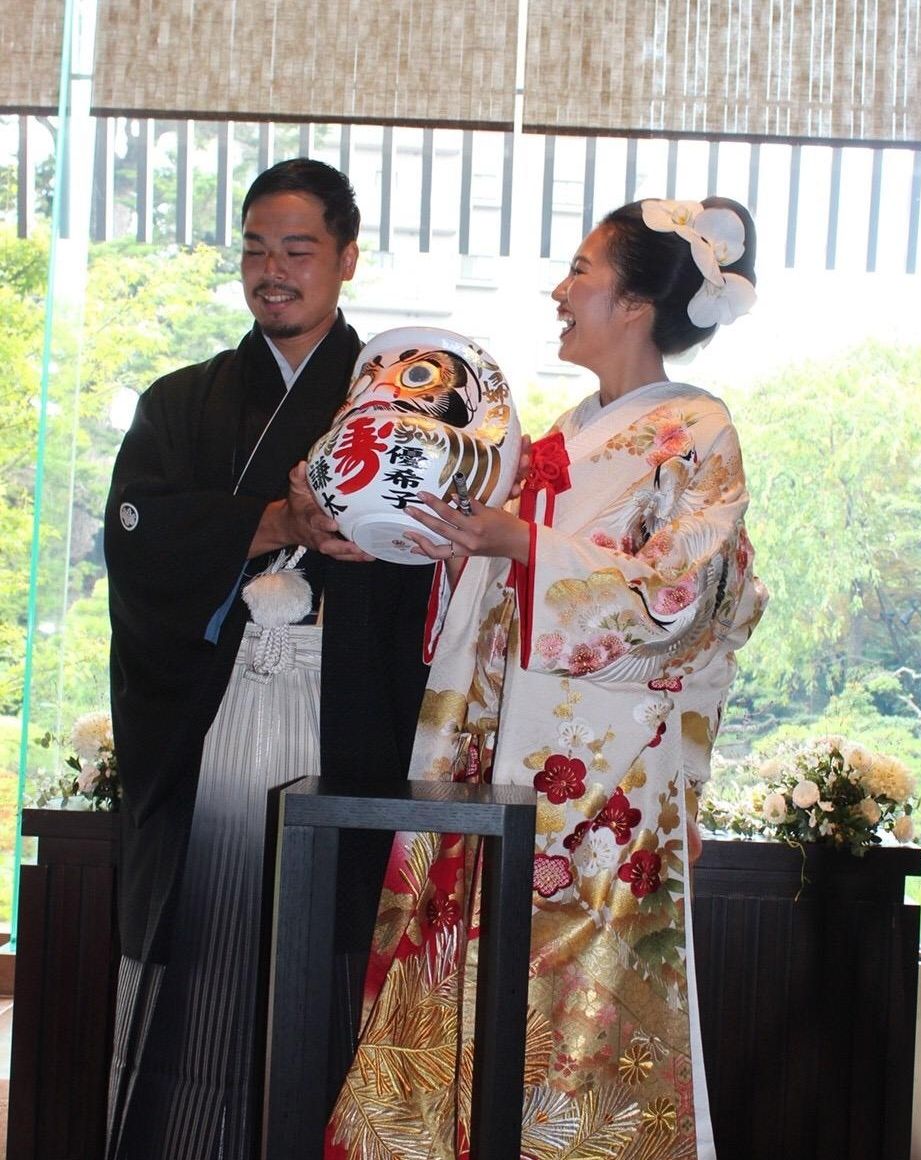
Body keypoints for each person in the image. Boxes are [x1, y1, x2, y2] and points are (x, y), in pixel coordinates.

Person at [324, 196, 767, 1158]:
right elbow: (498, 587)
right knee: (474, 971)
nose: (559, 290)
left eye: (580, 271)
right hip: (505, 747)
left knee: (585, 1001)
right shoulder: (567, 431)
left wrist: (523, 542)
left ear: (636, 303)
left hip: (609, 771)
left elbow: (681, 598)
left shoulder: (696, 429)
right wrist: (446, 538)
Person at [103, 158, 433, 1160]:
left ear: (347, 259)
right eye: (255, 249)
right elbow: (138, 537)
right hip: (211, 729)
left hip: (345, 728)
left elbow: (443, 569)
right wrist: (279, 521)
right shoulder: (180, 402)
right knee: (200, 967)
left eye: (298, 249)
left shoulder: (405, 412)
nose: (272, 271)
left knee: (327, 967)